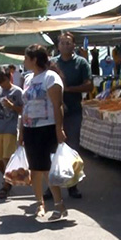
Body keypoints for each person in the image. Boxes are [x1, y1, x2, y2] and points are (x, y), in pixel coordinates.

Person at [20, 44, 67, 219]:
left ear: (34, 60)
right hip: (30, 128)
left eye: (26, 58)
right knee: (34, 169)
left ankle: (59, 205)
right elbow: (26, 106)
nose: (24, 61)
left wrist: (59, 128)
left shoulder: (50, 78)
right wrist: (21, 132)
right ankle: (40, 204)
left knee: (48, 169)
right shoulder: (28, 79)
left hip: (47, 128)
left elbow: (57, 105)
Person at [49, 32, 92, 199]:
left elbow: (88, 86)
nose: (66, 45)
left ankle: (73, 185)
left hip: (73, 111)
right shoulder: (53, 63)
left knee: (72, 147)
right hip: (54, 112)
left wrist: (68, 89)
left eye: (69, 43)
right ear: (58, 46)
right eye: (63, 43)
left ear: (74, 45)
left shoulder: (81, 63)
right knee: (52, 148)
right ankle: (52, 185)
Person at [0, 69, 24, 200]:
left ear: (9, 77)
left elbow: (23, 110)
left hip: (10, 128)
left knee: (6, 157)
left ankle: (5, 185)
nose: (2, 84)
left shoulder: (18, 91)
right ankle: (8, 178)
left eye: (4, 80)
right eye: (0, 82)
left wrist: (11, 106)